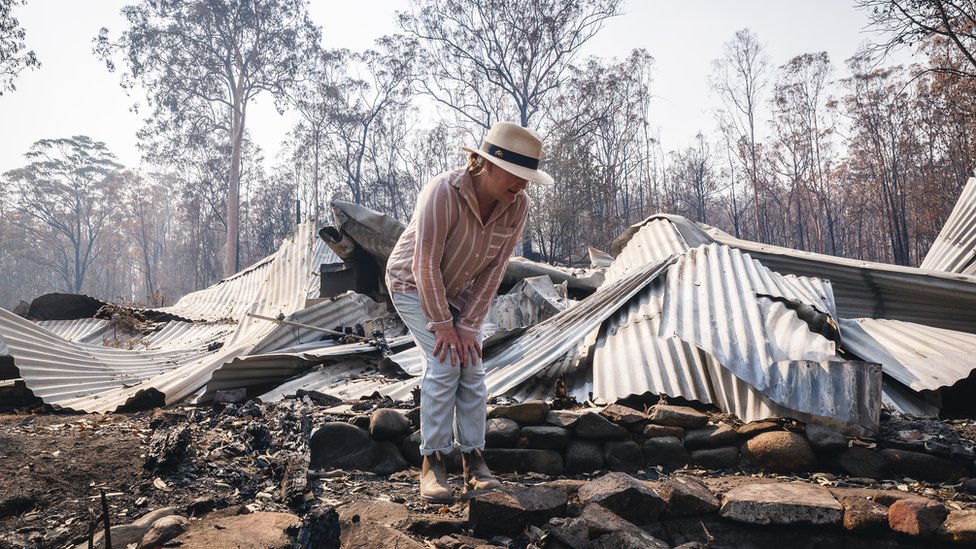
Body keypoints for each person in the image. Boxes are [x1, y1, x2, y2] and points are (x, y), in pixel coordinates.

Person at [386, 121, 553, 502]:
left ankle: (474, 460)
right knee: (445, 364)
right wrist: (444, 326)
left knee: (472, 367)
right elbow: (423, 265)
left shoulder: (518, 205)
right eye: (517, 176)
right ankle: (434, 461)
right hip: (412, 283)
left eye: (528, 178)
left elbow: (495, 270)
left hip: (460, 291)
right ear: (488, 164)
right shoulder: (443, 191)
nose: (522, 186)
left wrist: (468, 325)